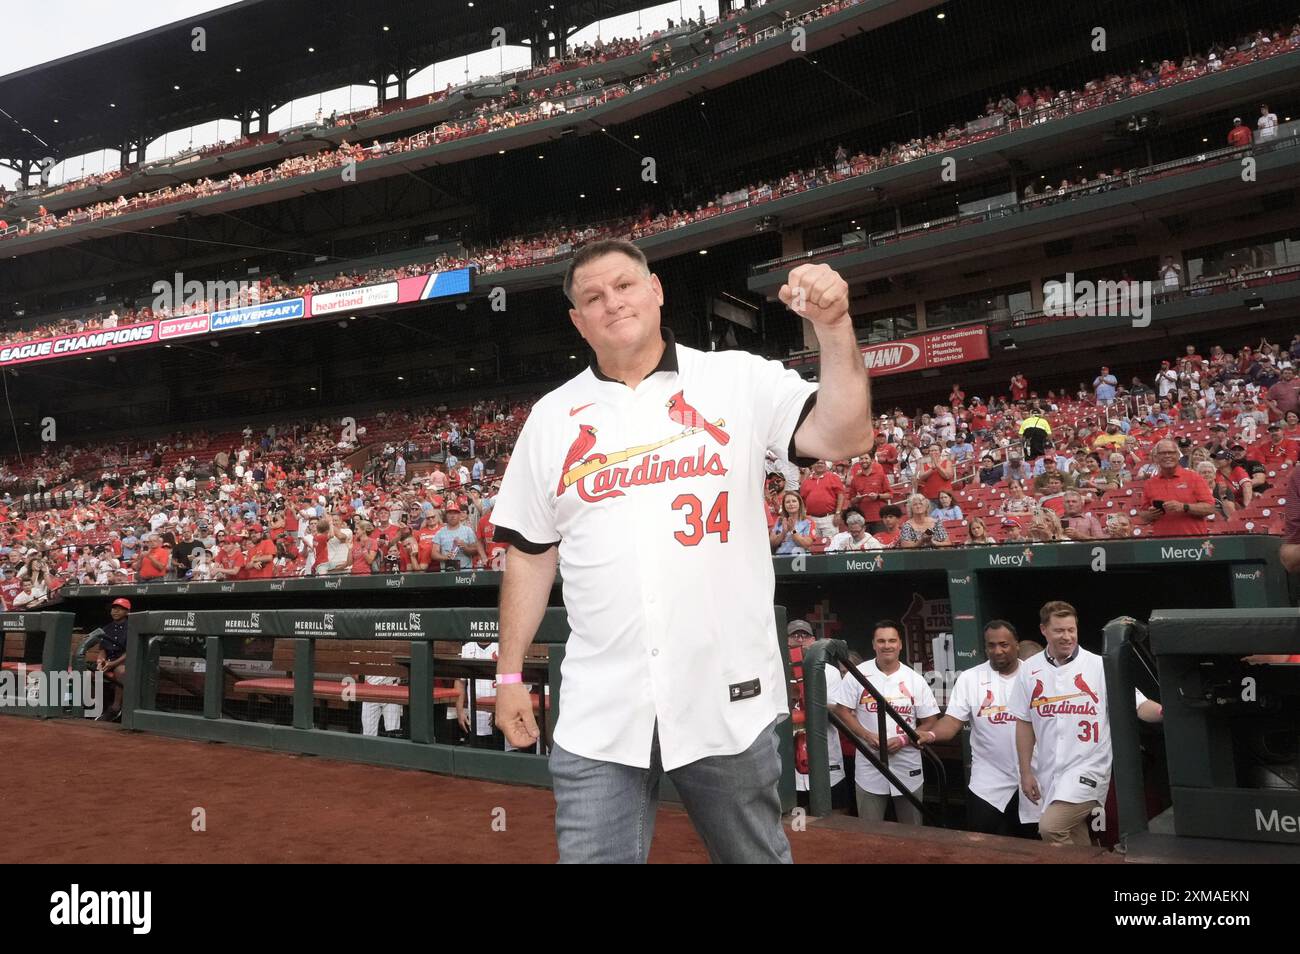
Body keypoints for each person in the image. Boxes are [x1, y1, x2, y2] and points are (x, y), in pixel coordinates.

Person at [489, 241, 871, 863]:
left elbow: (846, 434)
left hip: (724, 693)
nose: (612, 302)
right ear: (577, 321)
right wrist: (508, 674)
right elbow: (530, 555)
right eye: (593, 297)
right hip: (600, 707)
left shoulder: (737, 378)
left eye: (624, 285)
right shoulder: (551, 418)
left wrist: (833, 329)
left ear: (657, 290)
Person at [917, 621, 1036, 836]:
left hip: (1034, 776)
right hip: (988, 779)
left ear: (1016, 645)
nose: (997, 650)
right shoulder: (971, 678)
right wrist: (932, 733)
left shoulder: (1035, 675)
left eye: (1004, 644)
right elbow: (953, 721)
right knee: (983, 844)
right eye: (991, 645)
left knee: (1032, 846)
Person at [1012, 601, 1111, 845]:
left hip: (1089, 767)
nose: (1067, 636)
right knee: (1076, 838)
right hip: (1051, 772)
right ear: (1044, 630)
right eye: (1059, 631)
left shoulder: (1099, 665)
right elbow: (1024, 723)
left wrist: (1164, 710)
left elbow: (1137, 703)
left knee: (1051, 828)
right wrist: (1026, 772)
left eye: (1071, 630)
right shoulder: (1029, 669)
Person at [831, 621, 938, 826]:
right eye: (881, 641)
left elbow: (930, 720)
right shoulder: (858, 673)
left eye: (891, 641)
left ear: (900, 645)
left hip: (907, 761)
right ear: (873, 644)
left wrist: (904, 739)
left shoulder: (914, 679)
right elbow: (841, 710)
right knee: (870, 830)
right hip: (870, 762)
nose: (886, 645)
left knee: (912, 831)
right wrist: (865, 734)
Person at [786, 619, 847, 805]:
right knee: (795, 819)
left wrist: (810, 702)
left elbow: (836, 710)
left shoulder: (830, 672)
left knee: (834, 813)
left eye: (804, 635)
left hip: (825, 754)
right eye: (794, 635)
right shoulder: (777, 672)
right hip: (790, 758)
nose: (799, 639)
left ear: (813, 640)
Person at [1136, 439, 1214, 535]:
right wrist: (1150, 515)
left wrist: (1184, 507)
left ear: (1178, 456)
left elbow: (1210, 508)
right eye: (1163, 453)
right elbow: (1143, 515)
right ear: (1156, 457)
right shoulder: (1150, 483)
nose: (1167, 456)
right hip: (1163, 544)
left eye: (1171, 453)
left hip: (1193, 544)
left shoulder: (1194, 478)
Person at [91, 598, 132, 722]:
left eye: (120, 609)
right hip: (109, 661)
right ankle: (97, 706)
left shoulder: (132, 627)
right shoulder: (107, 628)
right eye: (114, 609)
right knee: (92, 673)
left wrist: (112, 664)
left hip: (124, 662)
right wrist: (100, 661)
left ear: (127, 612)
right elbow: (102, 649)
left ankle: (116, 707)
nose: (115, 611)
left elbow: (129, 652)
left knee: (121, 671)